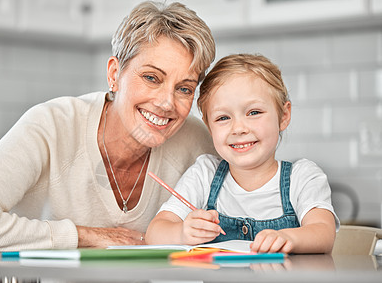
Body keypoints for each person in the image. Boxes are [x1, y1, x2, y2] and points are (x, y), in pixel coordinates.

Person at [0, 0, 217, 252]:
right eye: (152, 78)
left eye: (184, 88)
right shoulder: (51, 125)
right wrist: (84, 235)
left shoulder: (195, 141)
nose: (167, 103)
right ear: (115, 74)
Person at [145, 54, 339, 254]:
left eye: (254, 112)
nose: (238, 128)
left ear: (283, 115)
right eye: (223, 117)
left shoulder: (303, 177)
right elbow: (154, 233)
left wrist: (288, 237)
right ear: (209, 126)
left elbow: (324, 233)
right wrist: (182, 232)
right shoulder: (205, 174)